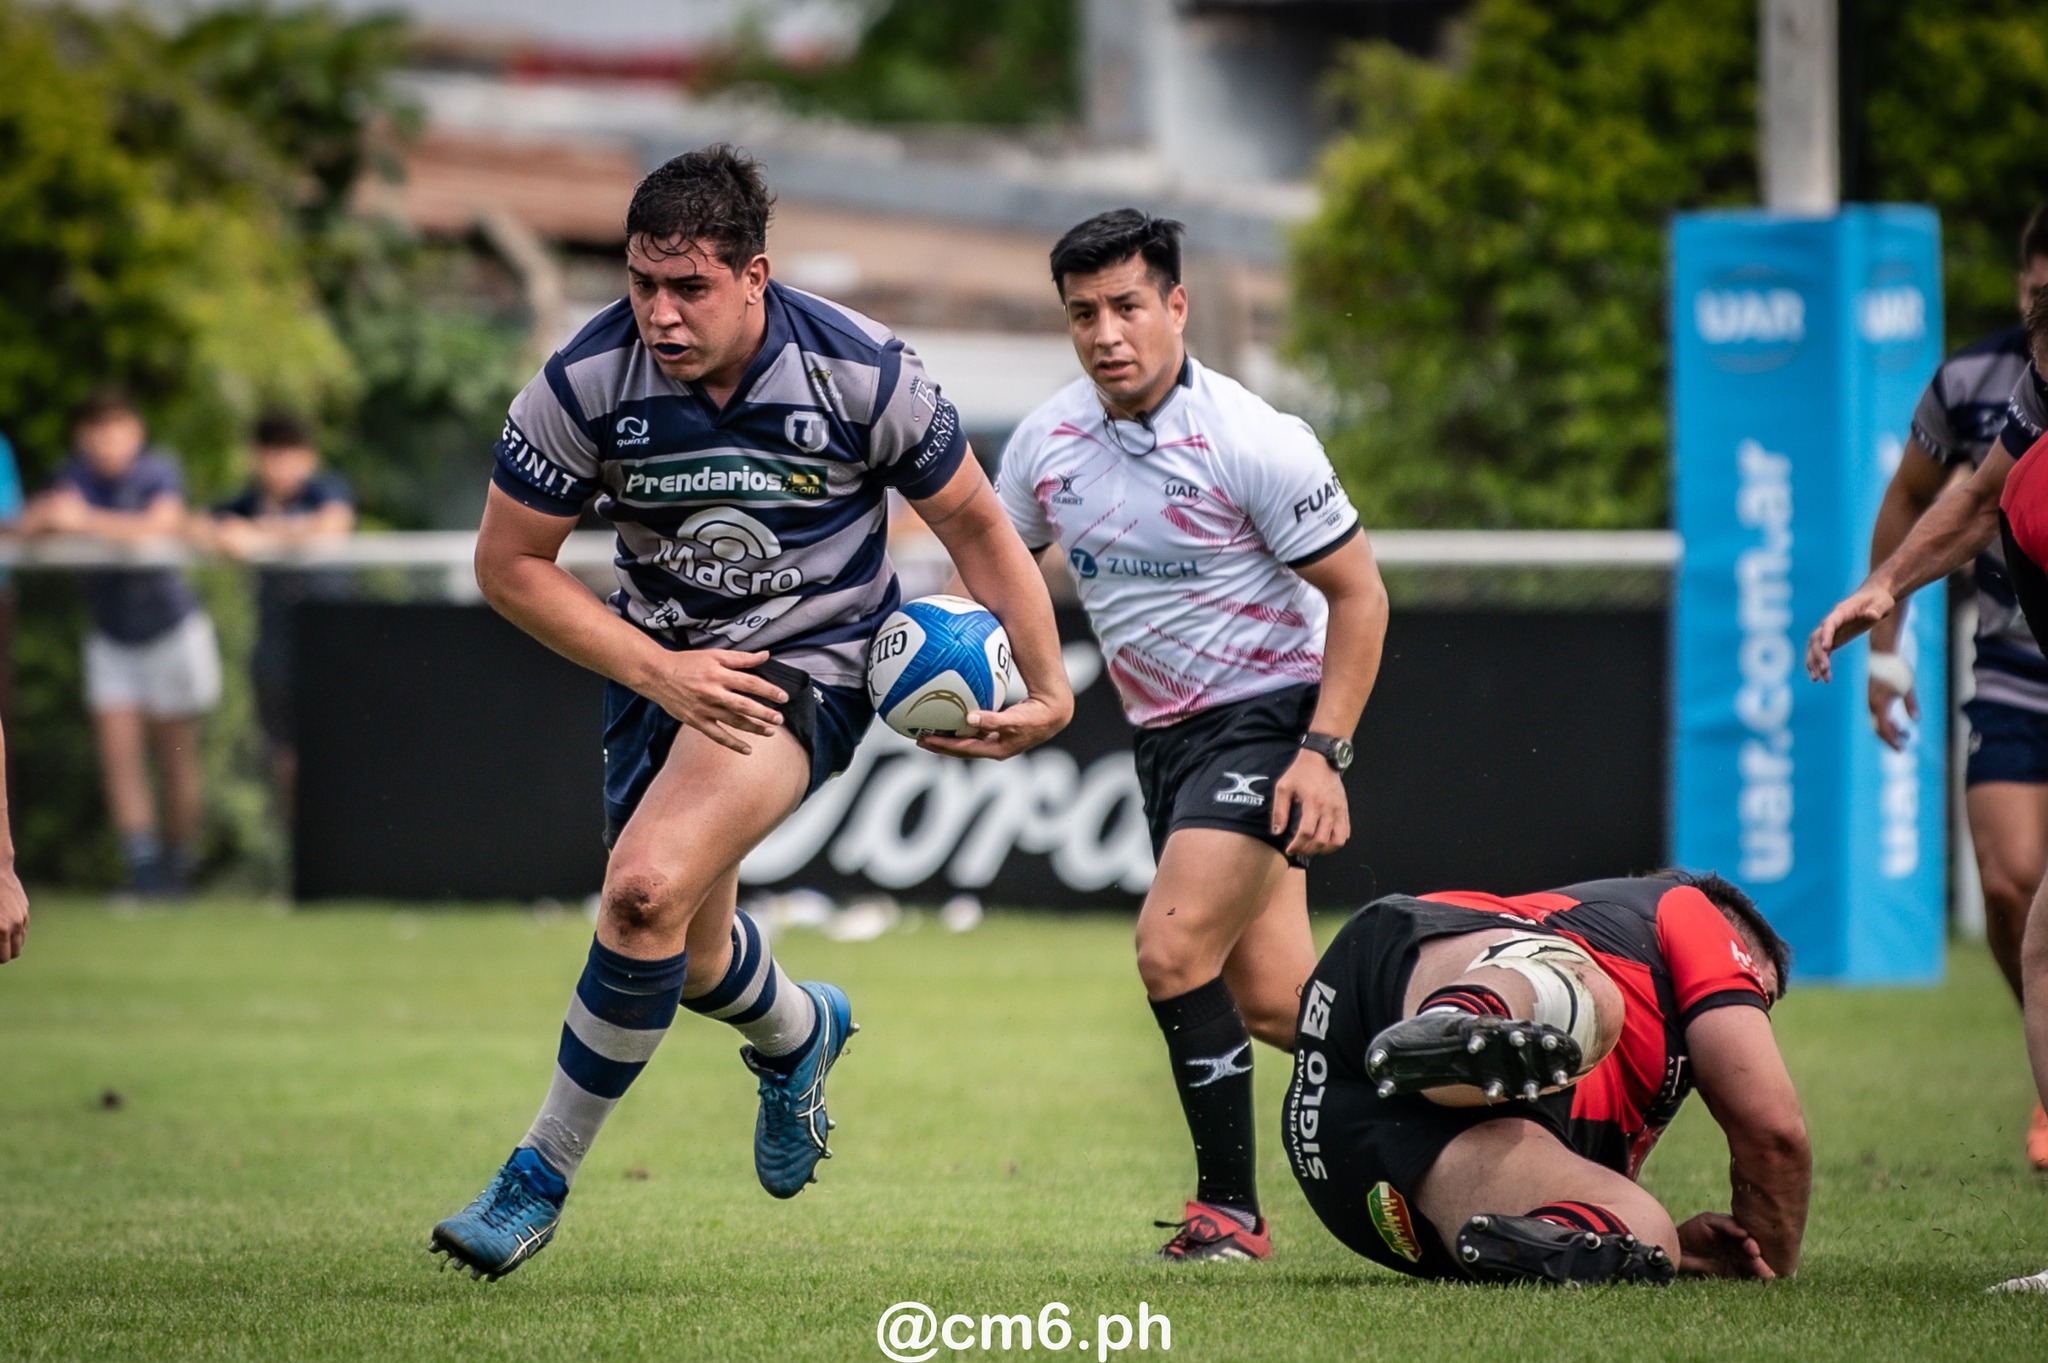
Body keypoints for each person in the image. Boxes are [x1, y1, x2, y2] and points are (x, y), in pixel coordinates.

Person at [429, 145, 1072, 1281]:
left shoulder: (864, 371)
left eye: (689, 288)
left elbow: (975, 524)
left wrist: (1050, 679)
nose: (660, 315)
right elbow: (509, 563)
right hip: (660, 667)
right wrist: (656, 672)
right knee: (689, 945)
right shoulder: (584, 382)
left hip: (806, 668)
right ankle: (796, 1031)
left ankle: (535, 1174)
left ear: (755, 276)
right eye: (641, 284)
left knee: (640, 894)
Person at [994, 209, 1390, 1261]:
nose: (1105, 332)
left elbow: (1359, 597)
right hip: (1164, 742)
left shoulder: (1253, 438)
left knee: (1170, 949)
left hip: (1266, 722)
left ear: (1176, 306)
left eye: (1127, 305)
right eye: (1082, 313)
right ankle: (1470, 1071)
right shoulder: (1044, 442)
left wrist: (1323, 752)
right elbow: (995, 577)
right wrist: (959, 670)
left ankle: (1229, 1214)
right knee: (1274, 1002)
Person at [1807, 288, 2048, 1293]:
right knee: (2033, 928)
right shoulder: (2024, 396)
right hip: (2016, 682)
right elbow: (1977, 496)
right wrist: (1886, 589)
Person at [1283, 871, 1808, 1284]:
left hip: (1362, 1168)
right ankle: (1457, 1016)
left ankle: (1548, 1233)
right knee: (1595, 1001)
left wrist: (1678, 1249)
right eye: (1757, 1001)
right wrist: (1771, 1252)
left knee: (1644, 1231)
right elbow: (1773, 1132)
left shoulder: (1639, 1088)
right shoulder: (1687, 910)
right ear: (1751, 967)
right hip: (1406, 983)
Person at [1852, 209, 2048, 1167]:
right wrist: (1885, 621)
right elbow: (1951, 501)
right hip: (2015, 664)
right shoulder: (1996, 388)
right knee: (2017, 892)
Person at [19, 389, 220, 896]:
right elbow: (23, 528)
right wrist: (42, 518)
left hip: (169, 631)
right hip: (111, 638)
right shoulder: (71, 480)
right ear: (83, 437)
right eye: (97, 431)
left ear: (136, 432)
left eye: (117, 429)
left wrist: (84, 521)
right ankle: (144, 869)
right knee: (120, 756)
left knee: (175, 755)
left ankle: (181, 865)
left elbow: (158, 524)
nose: (107, 441)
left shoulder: (156, 472)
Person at [201, 412, 355, 816]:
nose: (280, 467)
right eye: (271, 456)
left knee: (339, 747)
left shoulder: (326, 489)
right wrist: (223, 535)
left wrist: (260, 537)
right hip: (275, 647)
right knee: (284, 752)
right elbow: (199, 524)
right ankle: (303, 842)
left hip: (330, 641)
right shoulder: (247, 501)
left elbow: (333, 526)